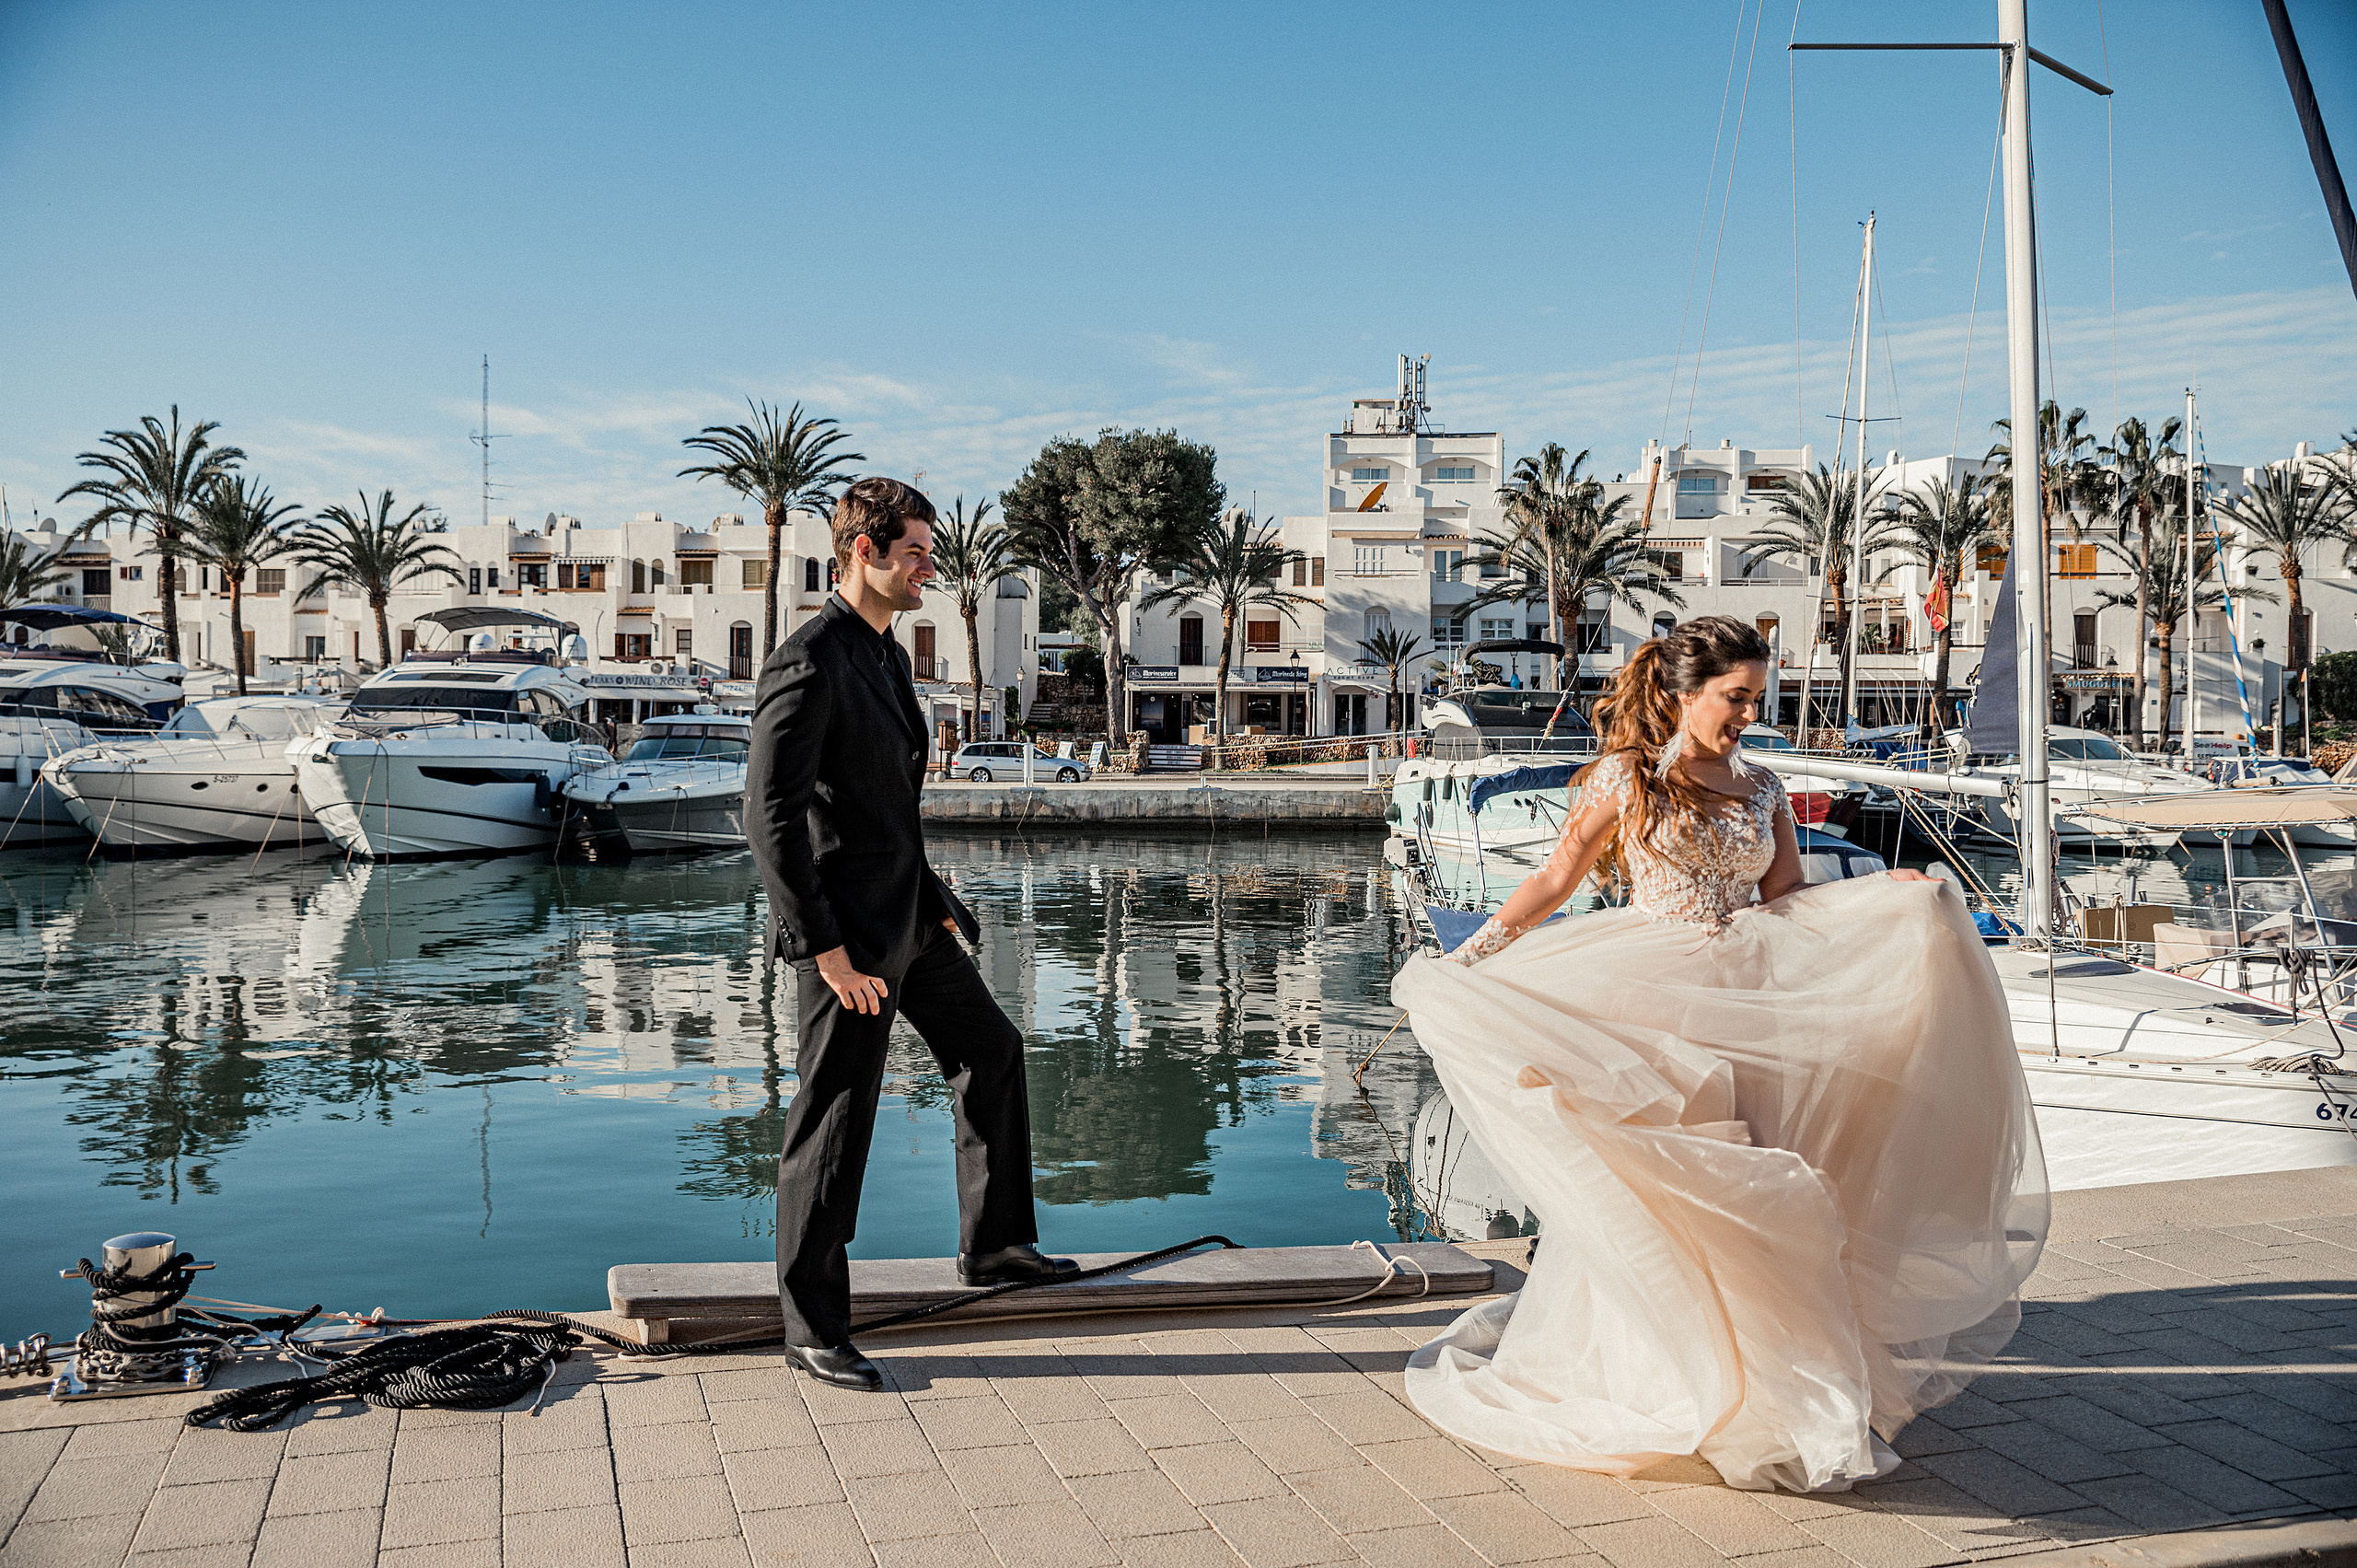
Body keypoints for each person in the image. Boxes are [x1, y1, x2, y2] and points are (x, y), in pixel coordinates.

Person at [1394, 615, 2046, 1493]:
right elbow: (1557, 880)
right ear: (1682, 693)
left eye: (1755, 697)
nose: (1748, 713)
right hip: (1648, 998)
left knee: (1765, 1190)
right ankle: (1668, 1380)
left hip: (1749, 1002)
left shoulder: (1764, 785)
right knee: (1686, 1196)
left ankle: (1766, 1388)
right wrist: (1470, 959)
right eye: (1735, 698)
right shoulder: (1626, 779)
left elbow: (1787, 903)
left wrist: (1881, 898)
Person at [747, 477, 1074, 1392]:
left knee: (992, 1050)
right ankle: (811, 1327)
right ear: (866, 551)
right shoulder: (808, 658)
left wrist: (930, 899)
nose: (932, 565)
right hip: (846, 938)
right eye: (918, 552)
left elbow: (885, 802)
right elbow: (768, 814)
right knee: (834, 1119)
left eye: (930, 550)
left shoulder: (886, 654)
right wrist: (823, 948)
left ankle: (996, 1244)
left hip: (911, 918)